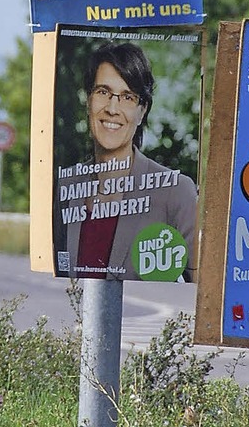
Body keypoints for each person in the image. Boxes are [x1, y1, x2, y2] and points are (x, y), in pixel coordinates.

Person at [55, 42, 198, 281]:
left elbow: (202, 292)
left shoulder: (175, 191)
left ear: (142, 111)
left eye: (127, 97)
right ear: (88, 100)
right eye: (103, 92)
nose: (112, 108)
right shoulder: (66, 185)